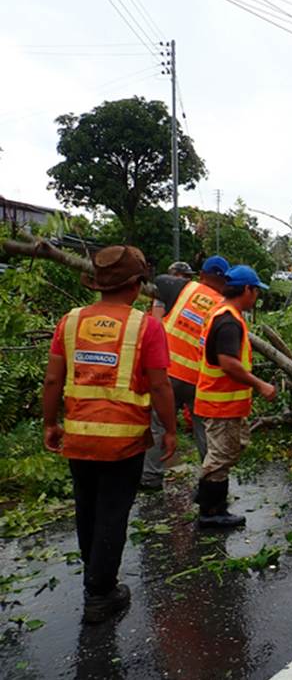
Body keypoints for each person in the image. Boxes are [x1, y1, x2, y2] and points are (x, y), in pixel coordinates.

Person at [41, 245, 177, 624]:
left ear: (98, 285)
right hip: (124, 442)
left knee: (87, 510)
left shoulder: (69, 322)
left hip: (79, 438)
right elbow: (161, 385)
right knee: (112, 515)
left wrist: (50, 423)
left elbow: (53, 378)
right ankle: (100, 594)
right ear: (136, 284)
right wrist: (169, 429)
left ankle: (96, 577)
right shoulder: (146, 326)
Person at [193, 265, 276, 528]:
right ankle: (211, 511)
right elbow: (228, 363)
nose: (257, 297)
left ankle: (207, 497)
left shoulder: (222, 313)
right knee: (220, 456)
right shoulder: (228, 320)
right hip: (220, 403)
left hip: (224, 402)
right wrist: (260, 384)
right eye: (256, 291)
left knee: (232, 447)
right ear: (247, 290)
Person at [140, 256, 230, 490]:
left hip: (167, 372)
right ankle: (211, 479)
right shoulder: (224, 305)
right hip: (198, 379)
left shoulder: (183, 288)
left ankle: (150, 477)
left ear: (201, 276)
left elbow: (159, 281)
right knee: (203, 429)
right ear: (225, 281)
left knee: (157, 424)